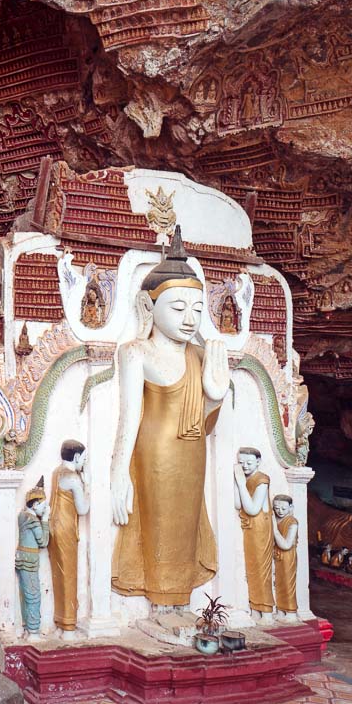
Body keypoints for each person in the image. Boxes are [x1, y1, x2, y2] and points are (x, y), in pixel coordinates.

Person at [110, 228, 230, 606]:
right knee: (157, 525)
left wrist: (215, 395)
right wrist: (118, 473)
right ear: (149, 307)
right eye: (178, 308)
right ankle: (161, 603)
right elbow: (130, 417)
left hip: (193, 453)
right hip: (154, 454)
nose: (190, 318)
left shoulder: (200, 355)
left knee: (187, 523)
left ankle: (181, 601)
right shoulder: (136, 352)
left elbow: (206, 424)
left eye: (197, 309)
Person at [49, 441, 89, 638]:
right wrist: (87, 484)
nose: (84, 462)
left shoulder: (57, 472)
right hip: (66, 530)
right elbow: (83, 509)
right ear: (75, 457)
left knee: (59, 575)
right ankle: (68, 627)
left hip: (54, 527)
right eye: (83, 458)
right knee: (69, 575)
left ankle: (60, 621)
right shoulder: (73, 478)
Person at [234, 447, 272, 620]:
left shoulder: (262, 480)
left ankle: (267, 611)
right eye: (241, 463)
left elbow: (252, 508)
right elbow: (237, 504)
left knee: (262, 569)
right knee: (252, 569)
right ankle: (256, 608)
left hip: (260, 529)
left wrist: (241, 483)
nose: (245, 466)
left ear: (258, 461)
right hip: (250, 528)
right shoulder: (245, 478)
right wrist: (238, 481)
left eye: (249, 463)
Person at [16, 478, 50, 640]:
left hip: (21, 558)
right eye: (44, 506)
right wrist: (45, 520)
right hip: (30, 560)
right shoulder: (33, 520)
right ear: (35, 505)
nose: (46, 509)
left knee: (25, 594)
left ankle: (27, 629)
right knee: (33, 595)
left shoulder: (22, 516)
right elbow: (43, 542)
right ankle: (34, 631)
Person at [272, 494, 299, 621]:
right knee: (279, 583)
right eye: (276, 508)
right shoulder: (275, 519)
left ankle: (291, 611)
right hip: (277, 555)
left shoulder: (292, 522)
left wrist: (275, 530)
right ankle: (281, 610)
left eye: (283, 508)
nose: (280, 511)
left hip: (288, 556)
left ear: (291, 507)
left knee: (288, 583)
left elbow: (286, 545)